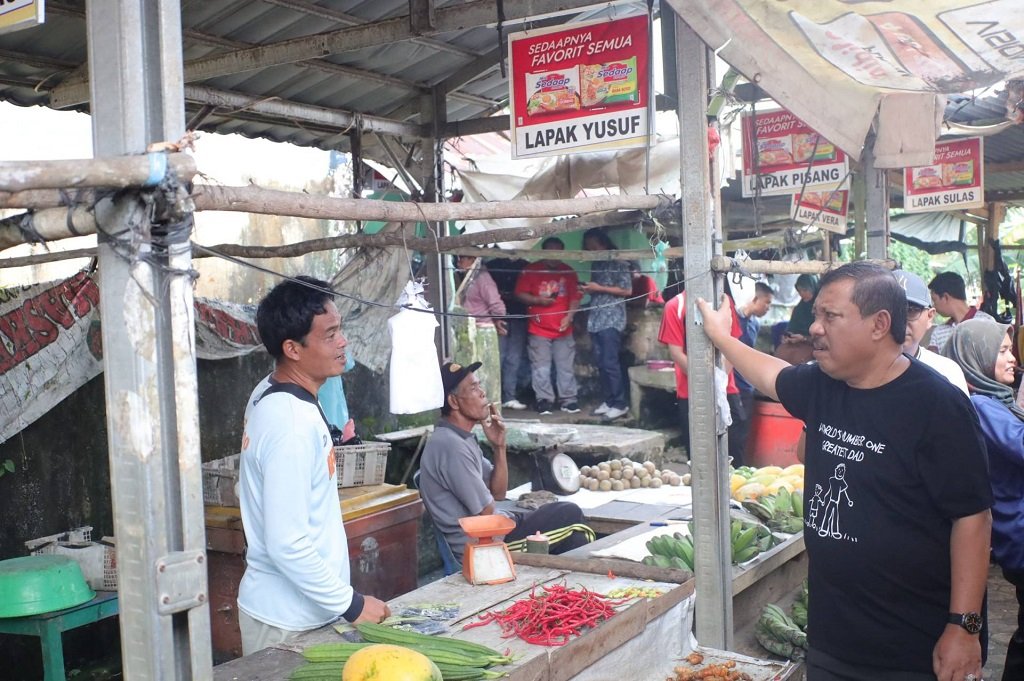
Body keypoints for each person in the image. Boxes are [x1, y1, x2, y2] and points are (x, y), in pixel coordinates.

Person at [695, 261, 992, 681]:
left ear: (879, 324)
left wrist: (964, 628)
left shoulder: (936, 406)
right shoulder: (823, 385)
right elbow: (768, 372)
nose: (815, 328)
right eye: (816, 315)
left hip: (913, 649)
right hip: (833, 643)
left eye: (830, 316)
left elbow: (972, 517)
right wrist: (719, 335)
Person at [237, 276, 389, 655]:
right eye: (330, 334)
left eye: (341, 330)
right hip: (286, 623)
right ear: (293, 348)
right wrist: (352, 605)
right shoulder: (290, 424)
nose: (343, 342)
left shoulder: (272, 393)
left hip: (300, 613)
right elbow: (286, 543)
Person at [418, 361, 591, 561]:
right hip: (484, 545)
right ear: (454, 402)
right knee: (570, 516)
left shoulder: (461, 438)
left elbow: (499, 492)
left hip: (497, 527)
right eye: (473, 388)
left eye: (479, 385)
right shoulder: (450, 445)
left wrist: (499, 446)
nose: (482, 393)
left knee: (574, 536)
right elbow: (487, 510)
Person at [944, 319, 1024, 681]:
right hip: (1017, 533)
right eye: (1003, 352)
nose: (1013, 359)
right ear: (976, 358)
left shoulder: (998, 400)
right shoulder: (980, 405)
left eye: (1011, 350)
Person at [657, 262, 743, 455]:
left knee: (734, 454)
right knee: (698, 458)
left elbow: (733, 346)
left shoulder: (725, 302)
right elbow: (677, 353)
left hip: (726, 390)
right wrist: (704, 382)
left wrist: (719, 380)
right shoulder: (675, 306)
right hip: (691, 393)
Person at [514, 237, 581, 415]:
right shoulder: (531, 270)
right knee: (541, 367)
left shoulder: (568, 271)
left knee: (565, 366)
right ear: (543, 252)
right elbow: (519, 294)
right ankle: (544, 400)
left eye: (558, 252)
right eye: (551, 252)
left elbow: (575, 297)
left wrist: (570, 317)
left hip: (564, 328)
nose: (554, 257)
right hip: (538, 328)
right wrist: (538, 301)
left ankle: (568, 400)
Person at [579, 228, 632, 420]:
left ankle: (620, 403)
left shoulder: (619, 263)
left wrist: (598, 287)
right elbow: (599, 289)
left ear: (603, 243)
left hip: (612, 319)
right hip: (596, 318)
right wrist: (589, 289)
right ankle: (609, 401)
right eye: (588, 246)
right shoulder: (596, 263)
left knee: (610, 362)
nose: (590, 248)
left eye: (593, 244)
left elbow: (627, 290)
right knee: (600, 363)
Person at [893, 269, 969, 394]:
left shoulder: (947, 372)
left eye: (910, 311)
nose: (900, 321)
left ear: (929, 317)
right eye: (891, 311)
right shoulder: (857, 371)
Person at [452, 255, 507, 405]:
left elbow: (497, 306)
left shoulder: (483, 278)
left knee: (483, 374)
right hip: (468, 330)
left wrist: (498, 320)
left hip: (482, 330)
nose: (459, 262)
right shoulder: (466, 278)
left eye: (463, 258)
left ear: (474, 260)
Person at [732, 281, 774, 464]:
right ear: (755, 298)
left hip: (746, 385)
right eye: (767, 302)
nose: (768, 308)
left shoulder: (754, 324)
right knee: (732, 434)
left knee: (742, 433)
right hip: (731, 385)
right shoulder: (732, 318)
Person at [488, 257, 531, 410]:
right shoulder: (492, 264)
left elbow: (527, 292)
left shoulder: (526, 265)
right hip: (497, 318)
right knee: (497, 357)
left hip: (519, 316)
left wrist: (513, 295)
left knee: (514, 358)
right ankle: (492, 397)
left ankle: (509, 396)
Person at [927, 271, 994, 354]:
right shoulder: (938, 332)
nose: (933, 306)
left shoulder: (986, 322)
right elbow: (932, 362)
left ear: (945, 297)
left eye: (934, 300)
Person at [775, 273, 817, 365]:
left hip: (813, 344)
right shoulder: (800, 308)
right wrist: (788, 336)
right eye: (799, 291)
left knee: (798, 360)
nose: (802, 294)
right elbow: (792, 326)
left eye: (805, 290)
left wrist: (804, 339)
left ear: (813, 288)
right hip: (796, 341)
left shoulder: (820, 307)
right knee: (780, 354)